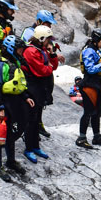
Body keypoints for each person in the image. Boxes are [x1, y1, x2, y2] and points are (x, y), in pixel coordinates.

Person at [0, 34, 35, 182]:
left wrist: (26, 96)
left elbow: (19, 84)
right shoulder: (0, 64)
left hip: (14, 102)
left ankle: (11, 161)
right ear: (11, 49)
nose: (21, 53)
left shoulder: (14, 63)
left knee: (11, 133)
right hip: (2, 103)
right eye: (19, 50)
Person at [21, 25, 60, 163]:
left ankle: (35, 146)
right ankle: (28, 148)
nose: (50, 42)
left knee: (36, 119)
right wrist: (48, 66)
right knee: (30, 120)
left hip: (39, 89)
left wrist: (53, 54)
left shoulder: (42, 50)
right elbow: (43, 70)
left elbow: (53, 67)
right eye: (48, 39)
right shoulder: (31, 51)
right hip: (31, 88)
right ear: (42, 38)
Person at [75, 27, 101, 149]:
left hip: (96, 84)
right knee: (88, 112)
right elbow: (90, 69)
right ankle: (81, 138)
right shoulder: (88, 51)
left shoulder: (95, 49)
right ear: (97, 39)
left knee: (97, 111)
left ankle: (96, 136)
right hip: (88, 85)